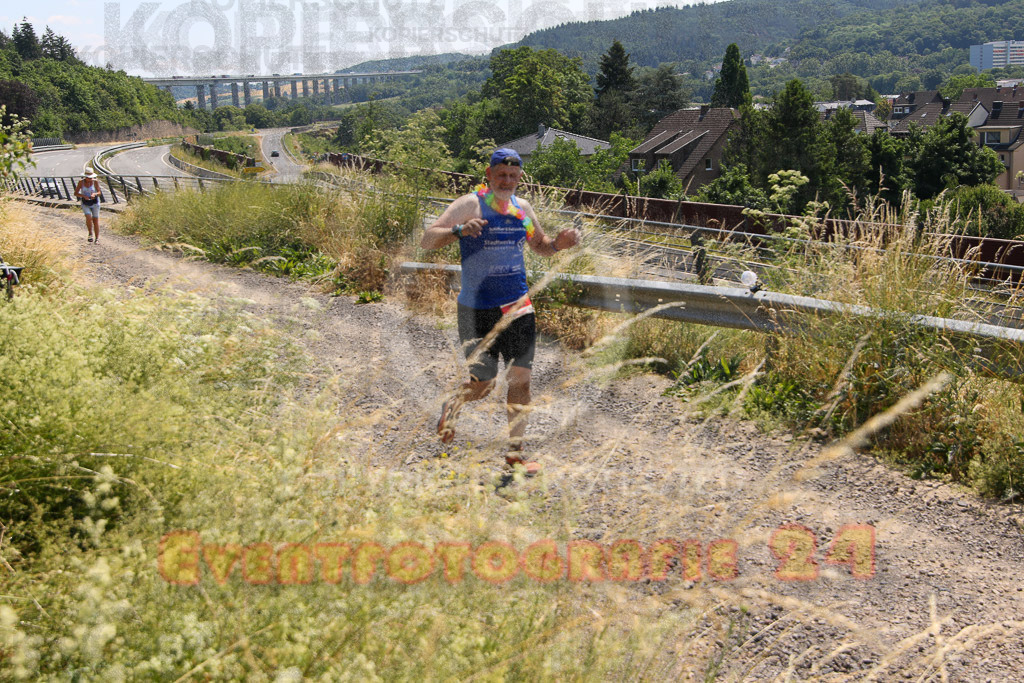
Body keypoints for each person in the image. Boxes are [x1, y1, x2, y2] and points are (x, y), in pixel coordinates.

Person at [420, 148, 581, 475]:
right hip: (475, 309)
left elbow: (540, 246)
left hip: (518, 305)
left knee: (521, 381)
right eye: (501, 175)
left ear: (519, 177)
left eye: (513, 176)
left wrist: (559, 245)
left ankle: (514, 456)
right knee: (484, 385)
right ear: (489, 175)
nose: (507, 181)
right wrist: (458, 231)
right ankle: (453, 404)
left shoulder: (523, 208)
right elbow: (426, 239)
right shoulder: (469, 204)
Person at [75, 168, 102, 243]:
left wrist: (95, 194)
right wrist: (83, 196)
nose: (89, 179)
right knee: (88, 217)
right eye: (88, 177)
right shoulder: (81, 182)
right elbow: (76, 193)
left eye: (91, 177)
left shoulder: (95, 182)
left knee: (96, 220)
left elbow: (99, 192)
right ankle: (90, 233)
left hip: (95, 202)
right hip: (85, 203)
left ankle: (97, 238)